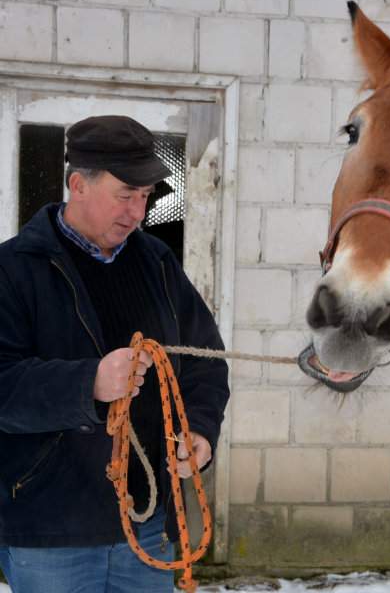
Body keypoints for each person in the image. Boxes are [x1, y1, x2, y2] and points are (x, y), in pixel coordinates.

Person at [0, 115, 230, 592]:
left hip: (147, 526)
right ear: (78, 184)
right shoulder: (12, 269)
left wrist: (200, 432)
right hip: (50, 532)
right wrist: (89, 384)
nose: (137, 213)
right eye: (125, 196)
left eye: (145, 198)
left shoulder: (157, 263)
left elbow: (205, 363)